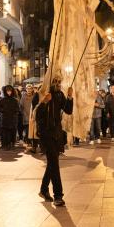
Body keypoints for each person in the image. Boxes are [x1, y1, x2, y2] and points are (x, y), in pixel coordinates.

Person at [35, 77, 73, 206]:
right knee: (55, 165)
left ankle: (43, 189)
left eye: (59, 82)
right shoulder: (41, 93)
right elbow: (36, 115)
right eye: (55, 82)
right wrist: (44, 102)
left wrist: (69, 97)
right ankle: (58, 195)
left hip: (57, 134)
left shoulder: (59, 94)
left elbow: (68, 110)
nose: (57, 84)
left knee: (52, 163)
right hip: (46, 134)